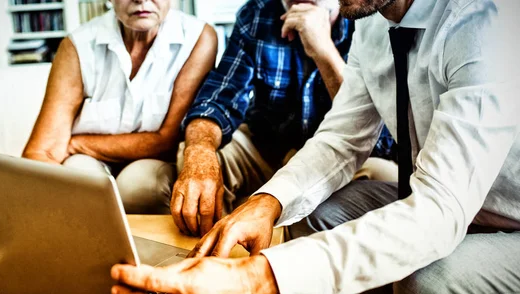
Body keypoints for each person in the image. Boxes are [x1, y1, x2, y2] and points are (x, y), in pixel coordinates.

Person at [110, 0, 520, 294]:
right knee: (318, 212)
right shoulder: (371, 24)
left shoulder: (484, 23)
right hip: (448, 201)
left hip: (506, 221)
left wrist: (257, 278)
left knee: (429, 279)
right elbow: (341, 139)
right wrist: (266, 202)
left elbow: (439, 210)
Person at [170, 0, 397, 237]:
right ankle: (214, 248)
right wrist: (200, 153)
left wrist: (323, 49)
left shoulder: (366, 16)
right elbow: (218, 100)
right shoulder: (257, 14)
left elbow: (380, 140)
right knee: (195, 150)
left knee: (384, 174)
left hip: (346, 156)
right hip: (268, 149)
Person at [22, 0, 217, 213]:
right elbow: (41, 152)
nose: (141, 0)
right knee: (77, 174)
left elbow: (166, 140)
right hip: (90, 162)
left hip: (155, 161)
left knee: (139, 183)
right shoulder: (78, 45)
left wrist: (76, 144)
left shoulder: (198, 38)